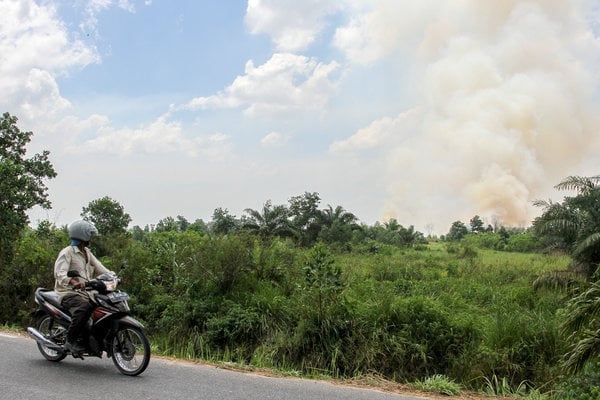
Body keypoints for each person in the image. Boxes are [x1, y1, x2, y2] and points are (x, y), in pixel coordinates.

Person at [54, 219, 114, 355]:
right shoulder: (67, 252)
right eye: (90, 235)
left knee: (103, 306)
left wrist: (113, 276)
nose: (91, 238)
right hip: (68, 293)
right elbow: (60, 273)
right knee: (83, 308)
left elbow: (100, 268)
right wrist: (73, 282)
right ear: (82, 235)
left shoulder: (87, 252)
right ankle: (70, 340)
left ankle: (93, 341)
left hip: (86, 292)